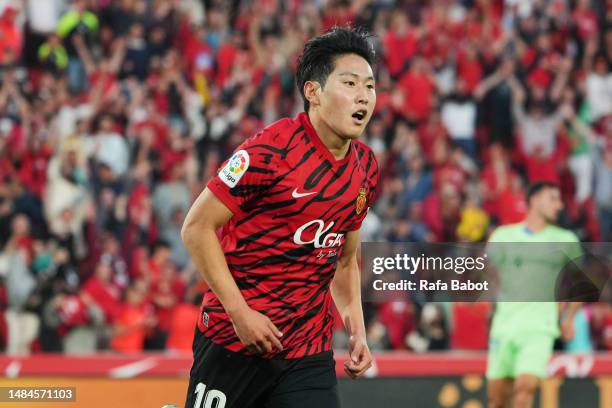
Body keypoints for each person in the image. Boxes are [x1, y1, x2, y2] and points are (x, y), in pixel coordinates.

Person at [181, 27, 379, 408]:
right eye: (350, 83)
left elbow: (342, 258)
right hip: (232, 343)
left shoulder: (366, 169)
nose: (363, 96)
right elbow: (197, 228)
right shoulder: (270, 151)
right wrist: (240, 314)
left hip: (307, 352)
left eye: (369, 86)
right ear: (313, 92)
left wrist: (356, 329)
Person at [486, 182, 583, 408]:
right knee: (497, 398)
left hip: (540, 327)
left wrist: (569, 317)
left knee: (525, 387)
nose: (559, 205)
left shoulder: (566, 240)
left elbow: (582, 282)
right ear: (534, 200)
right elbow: (484, 273)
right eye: (553, 198)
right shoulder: (503, 236)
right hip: (505, 325)